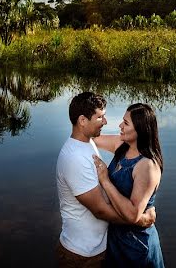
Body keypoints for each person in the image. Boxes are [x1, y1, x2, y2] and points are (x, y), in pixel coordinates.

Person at [56, 92, 156, 268]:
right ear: (82, 120)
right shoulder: (75, 157)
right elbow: (100, 211)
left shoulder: (89, 142)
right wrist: (141, 219)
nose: (107, 122)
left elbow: (88, 135)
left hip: (108, 247)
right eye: (100, 117)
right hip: (82, 254)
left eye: (125, 122)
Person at [92, 103, 165, 267]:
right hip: (115, 240)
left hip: (137, 246)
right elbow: (90, 137)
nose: (119, 125)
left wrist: (105, 180)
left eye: (125, 123)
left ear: (140, 129)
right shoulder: (121, 145)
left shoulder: (147, 166)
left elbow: (132, 215)